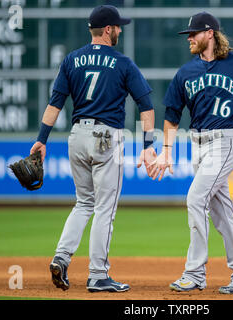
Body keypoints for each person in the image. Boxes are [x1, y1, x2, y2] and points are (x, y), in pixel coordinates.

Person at [150, 11, 233, 294]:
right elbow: (172, 114)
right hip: (197, 145)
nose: (189, 40)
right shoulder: (186, 72)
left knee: (196, 199)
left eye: (193, 34)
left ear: (209, 34)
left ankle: (194, 273)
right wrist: (167, 151)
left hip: (224, 143)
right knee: (222, 213)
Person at [30, 5, 156, 293]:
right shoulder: (123, 62)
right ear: (108, 30)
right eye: (118, 27)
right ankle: (98, 275)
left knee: (84, 202)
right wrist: (148, 145)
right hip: (105, 136)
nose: (120, 31)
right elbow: (146, 106)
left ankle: (61, 257)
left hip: (77, 135)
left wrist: (42, 139)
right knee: (104, 209)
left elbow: (55, 104)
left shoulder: (72, 60)